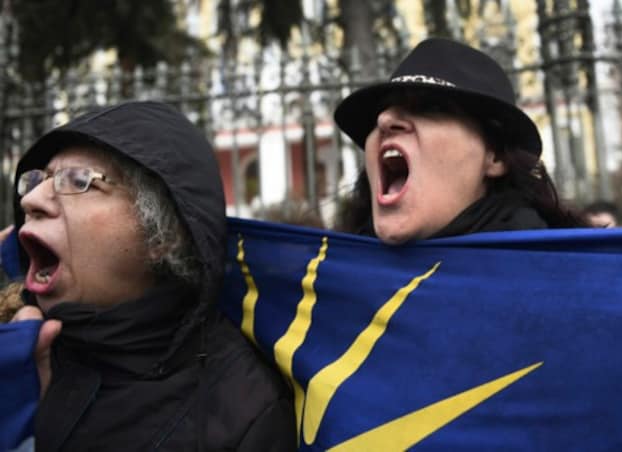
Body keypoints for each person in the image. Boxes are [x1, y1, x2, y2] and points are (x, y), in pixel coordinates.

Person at [10, 101, 294, 451]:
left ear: (164, 234)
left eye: (78, 181)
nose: (32, 199)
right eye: (38, 179)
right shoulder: (15, 357)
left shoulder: (241, 412)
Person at [334, 37, 581, 244]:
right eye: (383, 108)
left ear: (494, 156)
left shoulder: (558, 281)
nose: (384, 119)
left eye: (429, 108)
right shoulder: (325, 281)